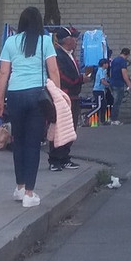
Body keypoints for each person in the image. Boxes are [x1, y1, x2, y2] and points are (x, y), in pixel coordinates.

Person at [0, 6, 60, 208]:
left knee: (18, 142)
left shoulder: (10, 42)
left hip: (15, 95)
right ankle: (30, 194)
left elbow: (4, 73)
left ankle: (20, 187)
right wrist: (58, 95)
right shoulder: (45, 41)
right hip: (37, 96)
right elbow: (53, 70)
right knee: (32, 144)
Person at [48, 26, 83, 172]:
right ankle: (54, 160)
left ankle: (64, 158)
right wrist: (80, 79)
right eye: (74, 37)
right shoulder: (58, 56)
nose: (76, 41)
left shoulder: (70, 55)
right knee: (59, 128)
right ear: (67, 40)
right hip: (63, 96)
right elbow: (62, 77)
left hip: (72, 97)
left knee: (69, 128)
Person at [109, 47, 131, 125]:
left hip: (112, 83)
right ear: (127, 54)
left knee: (114, 102)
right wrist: (129, 84)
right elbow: (124, 74)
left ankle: (111, 118)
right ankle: (114, 119)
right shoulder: (123, 62)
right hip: (119, 84)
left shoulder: (114, 60)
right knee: (117, 102)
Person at [90, 58, 109, 124]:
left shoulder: (104, 71)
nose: (108, 65)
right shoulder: (100, 70)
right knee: (99, 106)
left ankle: (103, 121)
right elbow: (102, 81)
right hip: (98, 91)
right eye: (107, 63)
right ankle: (87, 115)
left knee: (104, 105)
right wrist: (109, 85)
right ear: (104, 64)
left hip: (101, 91)